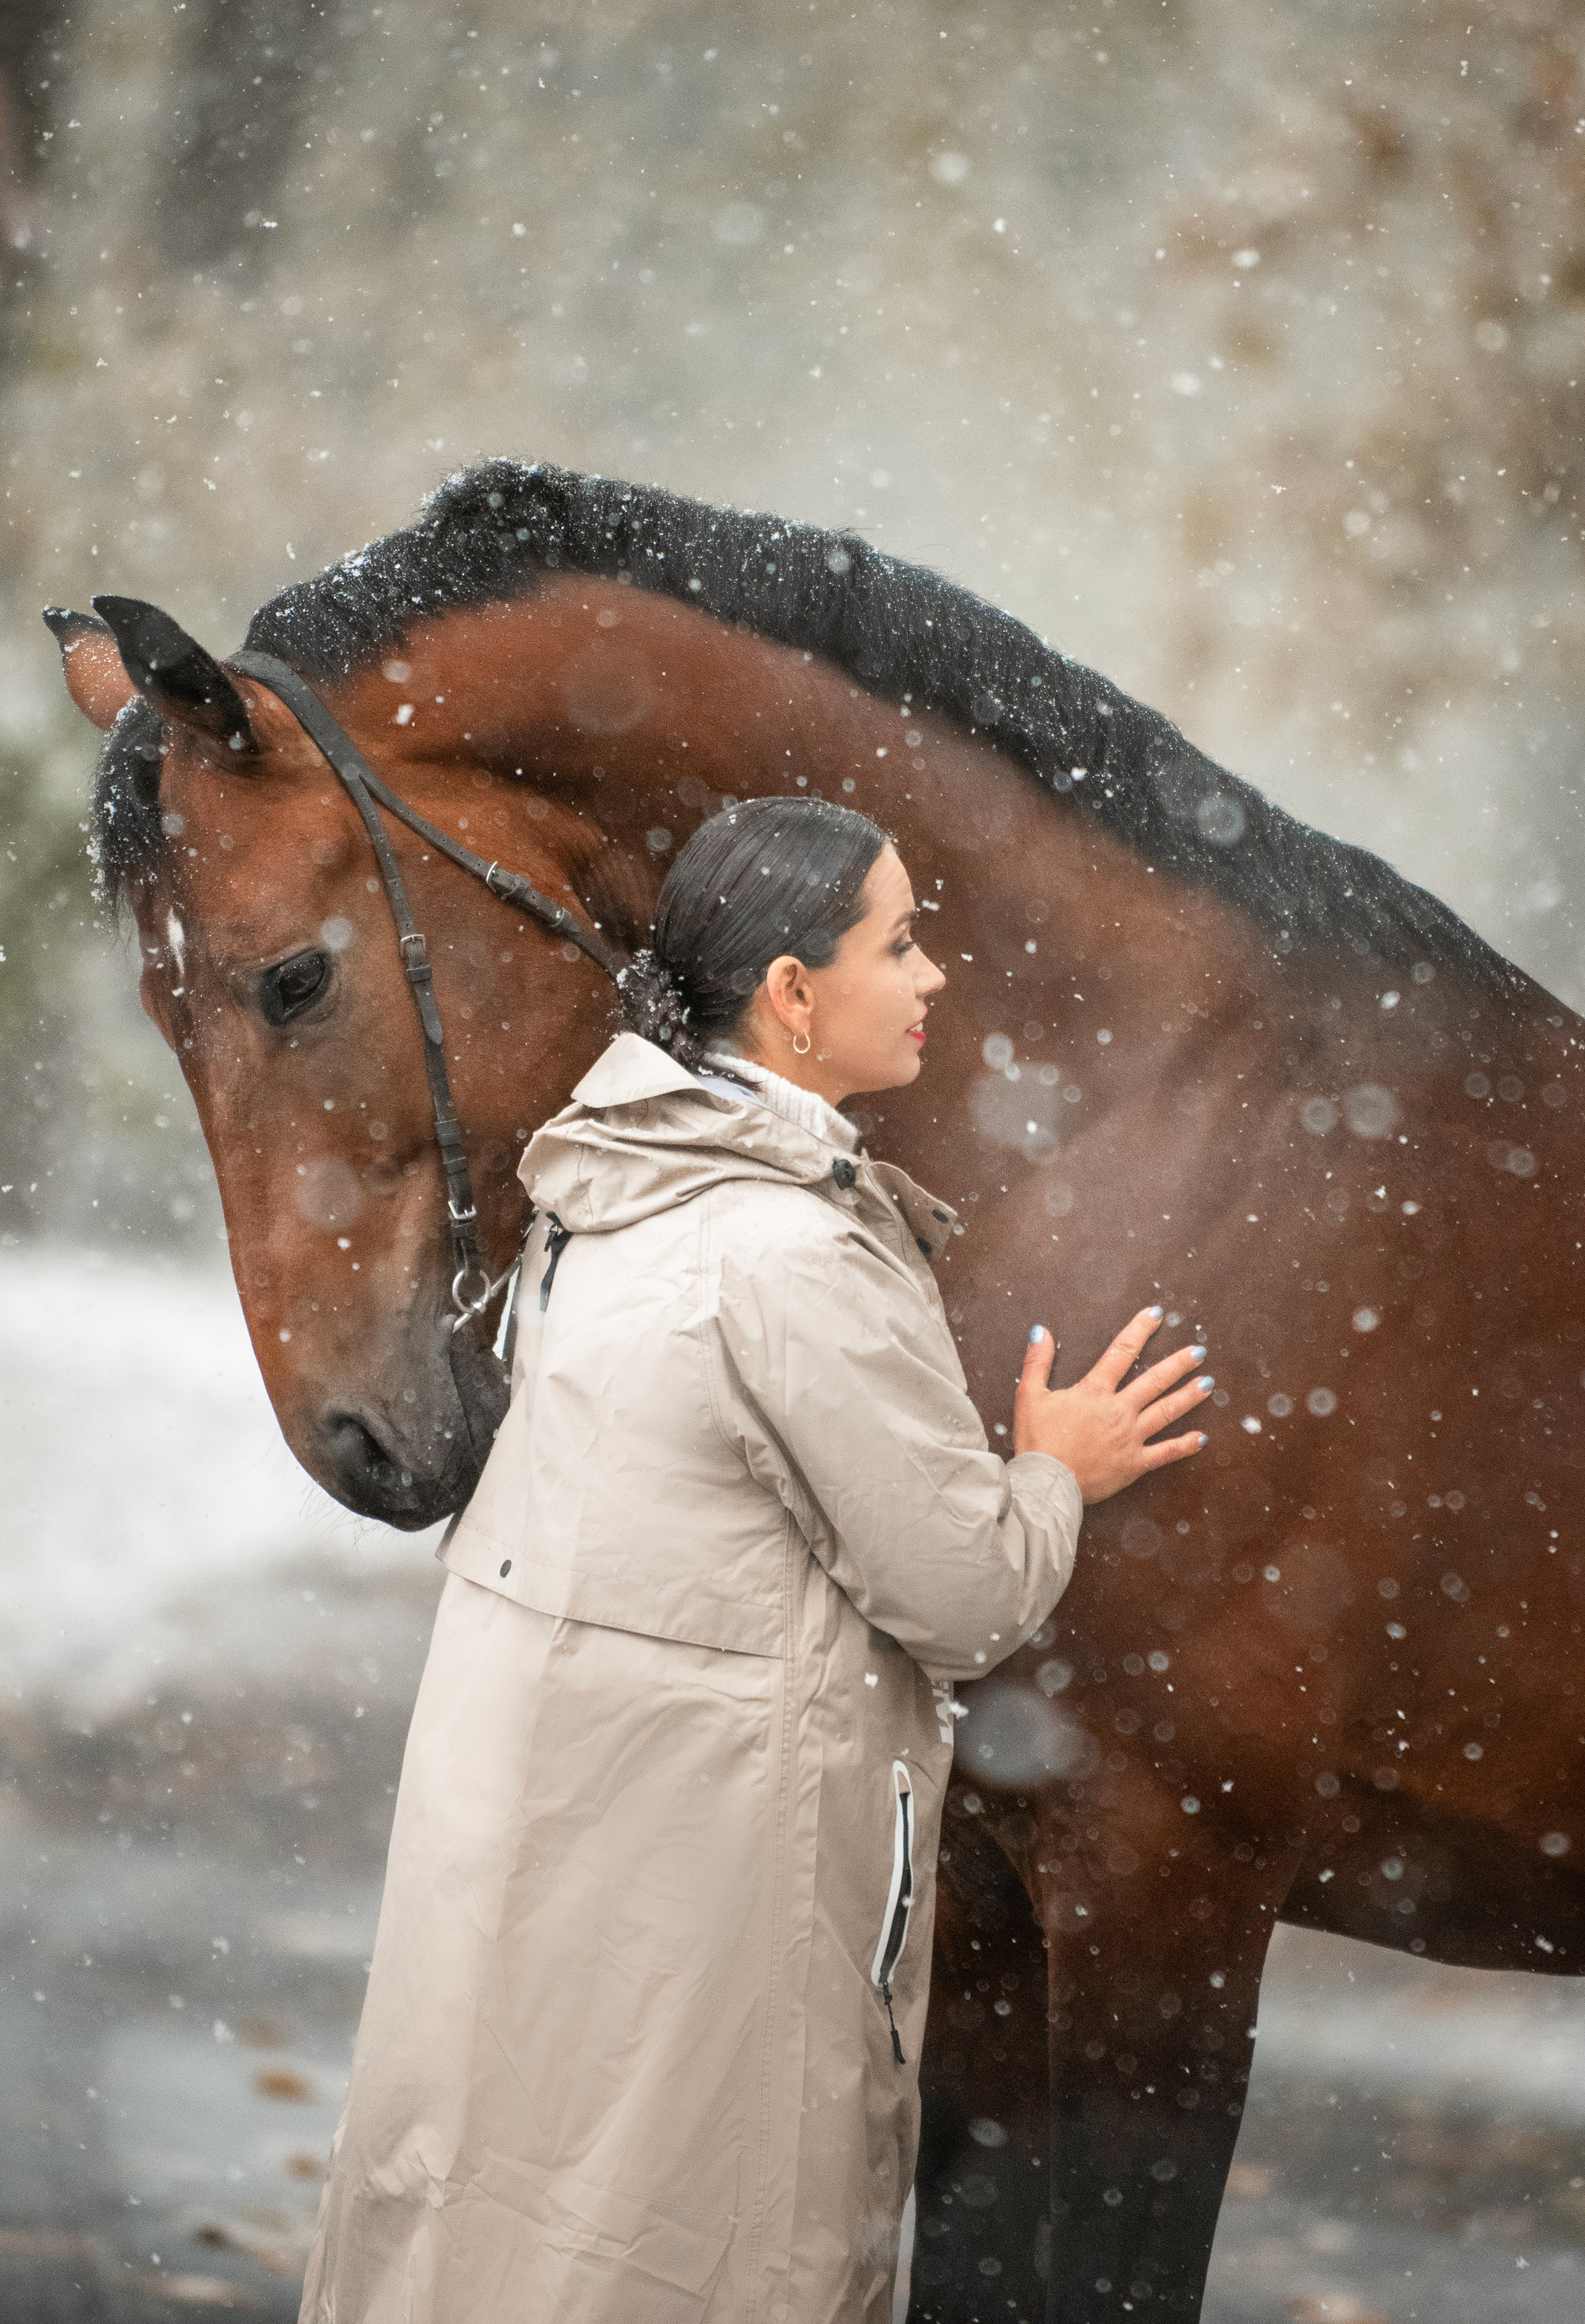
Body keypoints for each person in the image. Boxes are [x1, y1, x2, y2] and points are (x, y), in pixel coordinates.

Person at [298, 796, 1212, 2324]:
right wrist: (1054, 1468)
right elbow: (964, 1596)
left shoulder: (600, 1198)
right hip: (711, 1892)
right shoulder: (789, 1253)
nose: (933, 979)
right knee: (694, 2248)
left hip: (553, 1868)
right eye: (900, 942)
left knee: (501, 2230)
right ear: (791, 995)